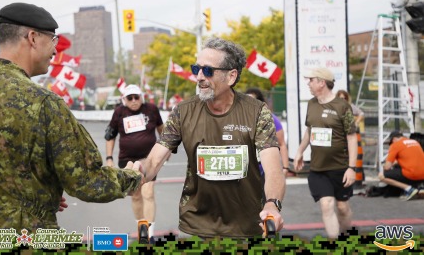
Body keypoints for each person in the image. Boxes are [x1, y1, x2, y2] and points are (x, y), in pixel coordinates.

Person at [0, 2, 144, 233]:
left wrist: (43, 193)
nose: (55, 50)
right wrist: (132, 176)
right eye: (53, 40)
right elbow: (86, 183)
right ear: (33, 38)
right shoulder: (44, 102)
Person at [140, 37, 285, 238]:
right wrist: (137, 174)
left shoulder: (257, 112)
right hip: (200, 223)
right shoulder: (183, 112)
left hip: (248, 224)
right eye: (196, 69)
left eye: (207, 71)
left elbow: (273, 169)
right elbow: (154, 160)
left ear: (231, 76)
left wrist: (272, 204)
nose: (199, 77)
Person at [293, 67, 357, 239]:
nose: (308, 83)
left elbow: (351, 137)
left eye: (311, 80)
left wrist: (352, 168)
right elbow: (309, 130)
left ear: (321, 82)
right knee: (327, 204)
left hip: (340, 168)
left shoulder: (343, 106)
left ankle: (345, 236)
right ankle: (335, 243)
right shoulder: (311, 104)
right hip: (318, 169)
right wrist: (299, 151)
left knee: (342, 207)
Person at [105, 84, 164, 241]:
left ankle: (149, 234)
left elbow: (161, 129)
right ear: (124, 99)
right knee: (136, 195)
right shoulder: (119, 113)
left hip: (149, 158)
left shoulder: (151, 109)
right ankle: (142, 229)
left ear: (141, 97)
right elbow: (110, 135)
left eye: (136, 97)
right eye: (129, 98)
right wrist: (109, 158)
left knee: (148, 192)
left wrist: (165, 150)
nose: (133, 100)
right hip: (127, 159)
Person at [245, 88, 290, 177]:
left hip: (266, 170)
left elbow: (281, 144)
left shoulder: (271, 118)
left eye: (251, 101)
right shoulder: (240, 119)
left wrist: (285, 167)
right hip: (246, 170)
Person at [378, 130, 424, 201]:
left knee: (382, 176)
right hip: (422, 175)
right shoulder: (415, 142)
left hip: (412, 174)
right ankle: (420, 187)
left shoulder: (395, 145)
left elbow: (387, 167)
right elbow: (410, 158)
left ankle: (409, 189)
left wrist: (385, 165)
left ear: (394, 139)